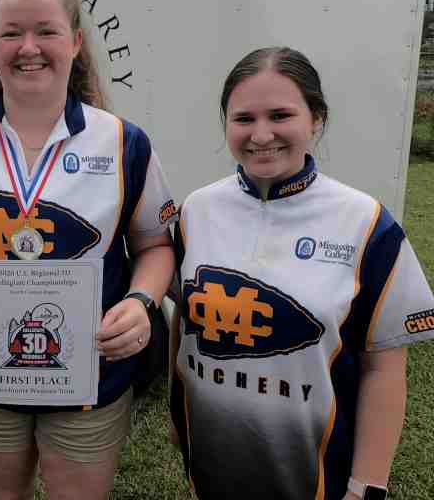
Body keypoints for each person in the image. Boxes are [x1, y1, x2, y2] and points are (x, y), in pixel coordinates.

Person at [0, 0, 177, 500]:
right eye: (10, 33)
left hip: (93, 369)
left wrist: (142, 300)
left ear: (75, 41)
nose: (28, 47)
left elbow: (154, 244)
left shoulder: (123, 143)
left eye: (46, 31)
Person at [169, 47, 434, 500]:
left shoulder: (366, 223)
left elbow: (384, 369)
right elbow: (183, 325)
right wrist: (177, 418)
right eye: (244, 119)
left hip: (318, 479)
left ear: (316, 119)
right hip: (213, 466)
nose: (261, 134)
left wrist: (367, 485)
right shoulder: (196, 210)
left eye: (280, 115)